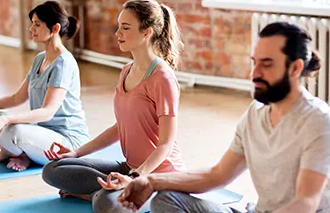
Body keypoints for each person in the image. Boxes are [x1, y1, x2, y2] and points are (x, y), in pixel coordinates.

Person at [119, 22, 330, 213]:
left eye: (266, 65)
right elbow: (217, 175)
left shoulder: (317, 121)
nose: (254, 74)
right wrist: (152, 181)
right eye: (254, 63)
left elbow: (306, 202)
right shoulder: (255, 114)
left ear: (295, 68)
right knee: (165, 200)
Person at [42, 0, 185, 213]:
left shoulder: (163, 78)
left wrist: (134, 178)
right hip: (130, 167)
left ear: (147, 32)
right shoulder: (126, 71)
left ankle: (99, 193)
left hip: (158, 175)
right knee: (53, 170)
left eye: (126, 28)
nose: (118, 33)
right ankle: (106, 189)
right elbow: (120, 127)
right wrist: (75, 153)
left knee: (106, 205)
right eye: (118, 26)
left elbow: (165, 143)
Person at [0, 1, 89, 171]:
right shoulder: (41, 58)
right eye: (32, 24)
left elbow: (47, 112)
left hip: (66, 141)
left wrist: (7, 119)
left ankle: (1, 155)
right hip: (39, 134)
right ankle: (22, 155)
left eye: (37, 24)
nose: (31, 29)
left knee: (13, 130)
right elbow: (17, 98)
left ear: (54, 29)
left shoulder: (63, 63)